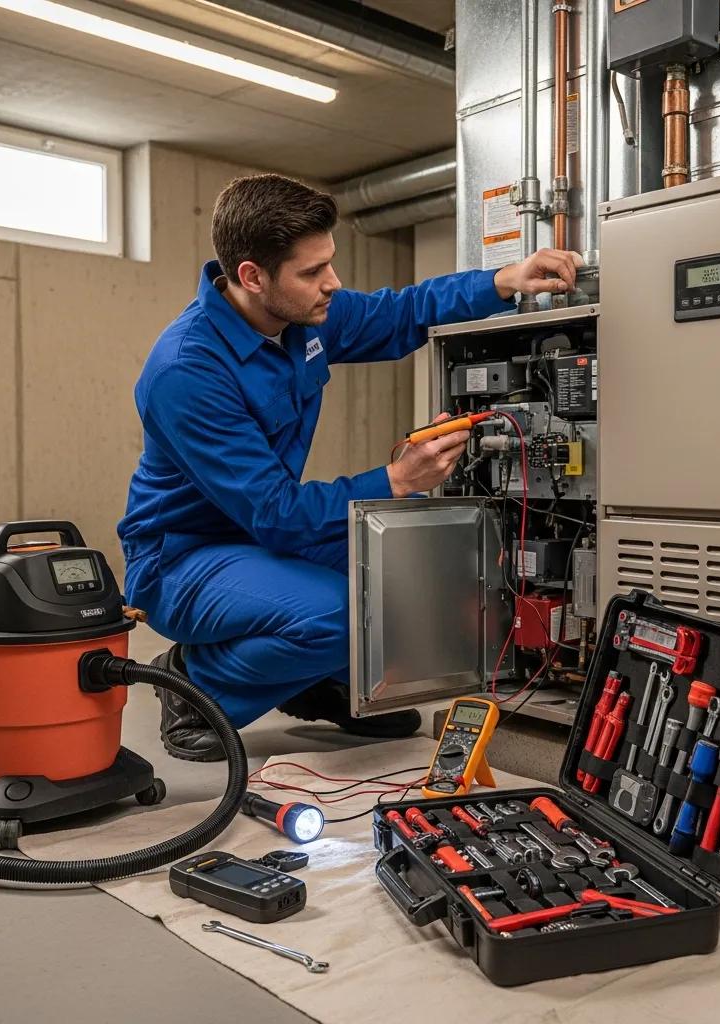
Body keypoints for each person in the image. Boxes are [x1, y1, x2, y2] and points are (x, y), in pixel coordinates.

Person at [118, 172, 582, 761]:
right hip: (184, 558)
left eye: (329, 263)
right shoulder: (187, 371)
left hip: (262, 539)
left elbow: (399, 313)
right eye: (312, 272)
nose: (332, 283)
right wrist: (395, 478)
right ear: (252, 277)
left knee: (420, 550)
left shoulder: (298, 318)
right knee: (341, 611)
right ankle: (195, 683)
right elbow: (277, 514)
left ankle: (323, 681)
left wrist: (503, 281)